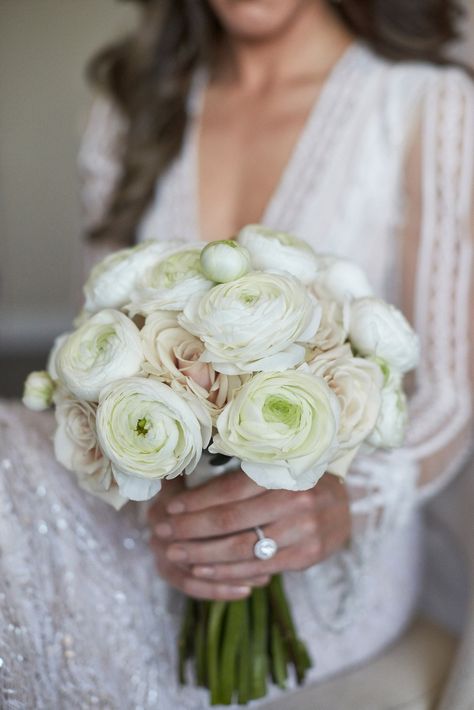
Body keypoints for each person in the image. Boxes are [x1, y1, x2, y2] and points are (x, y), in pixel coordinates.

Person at [0, 0, 473, 707]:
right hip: (148, 519)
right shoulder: (131, 107)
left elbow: (449, 397)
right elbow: (93, 345)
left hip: (329, 550)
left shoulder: (427, 105)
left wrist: (344, 503)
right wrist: (148, 473)